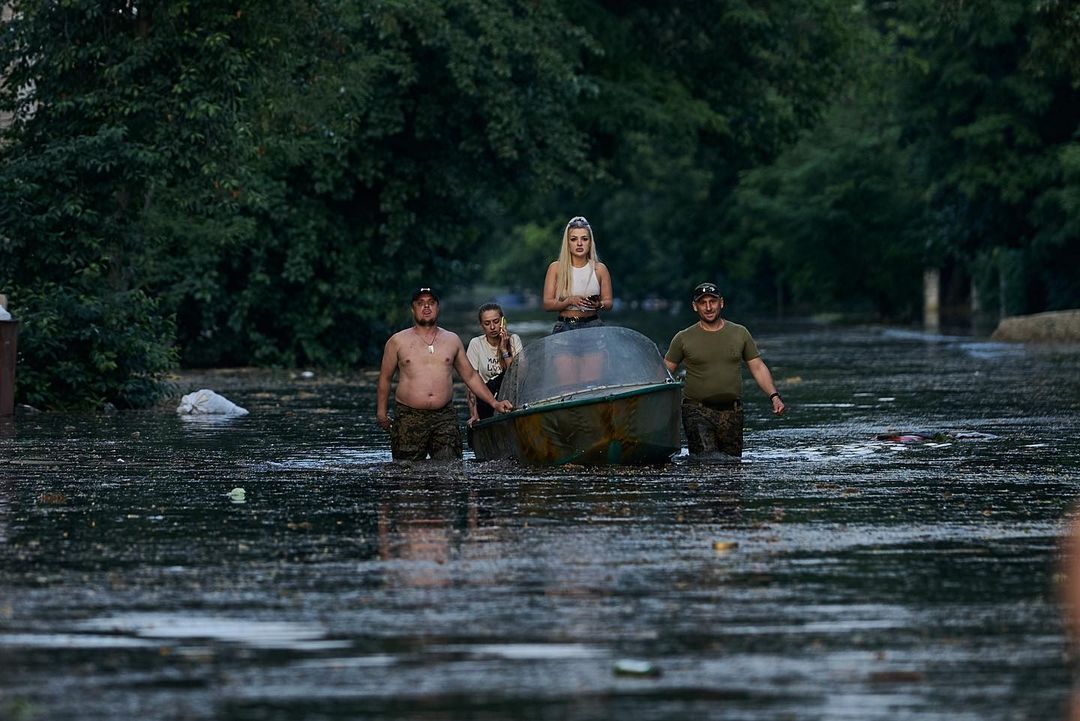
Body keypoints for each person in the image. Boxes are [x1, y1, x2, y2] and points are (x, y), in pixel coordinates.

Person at [376, 287, 513, 460]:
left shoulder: (452, 340)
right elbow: (385, 378)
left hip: (444, 417)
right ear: (413, 309)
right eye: (420, 303)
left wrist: (495, 403)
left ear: (437, 307)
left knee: (450, 470)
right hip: (409, 416)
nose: (426, 307)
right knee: (406, 471)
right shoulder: (397, 341)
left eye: (431, 302)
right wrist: (381, 413)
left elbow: (470, 376)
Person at [663, 282, 786, 457]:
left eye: (712, 301)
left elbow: (758, 367)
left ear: (721, 303)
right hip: (697, 411)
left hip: (732, 412)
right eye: (702, 303)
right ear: (695, 306)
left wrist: (774, 396)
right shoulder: (683, 338)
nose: (708, 307)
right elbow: (665, 373)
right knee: (707, 462)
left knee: (732, 465)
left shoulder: (740, 333)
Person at [542, 215, 613, 334]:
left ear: (590, 242)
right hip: (565, 327)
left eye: (584, 239)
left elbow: (609, 303)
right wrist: (569, 301)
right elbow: (547, 304)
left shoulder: (600, 269)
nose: (579, 243)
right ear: (568, 243)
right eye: (574, 239)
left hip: (593, 325)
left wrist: (599, 304)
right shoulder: (556, 268)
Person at [466, 303, 524, 426]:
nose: (492, 327)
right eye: (487, 323)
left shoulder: (514, 340)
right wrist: (474, 414)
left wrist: (504, 349)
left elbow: (518, 375)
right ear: (482, 326)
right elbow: (471, 384)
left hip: (511, 396)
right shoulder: (476, 344)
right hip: (487, 400)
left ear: (503, 322)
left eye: (496, 322)